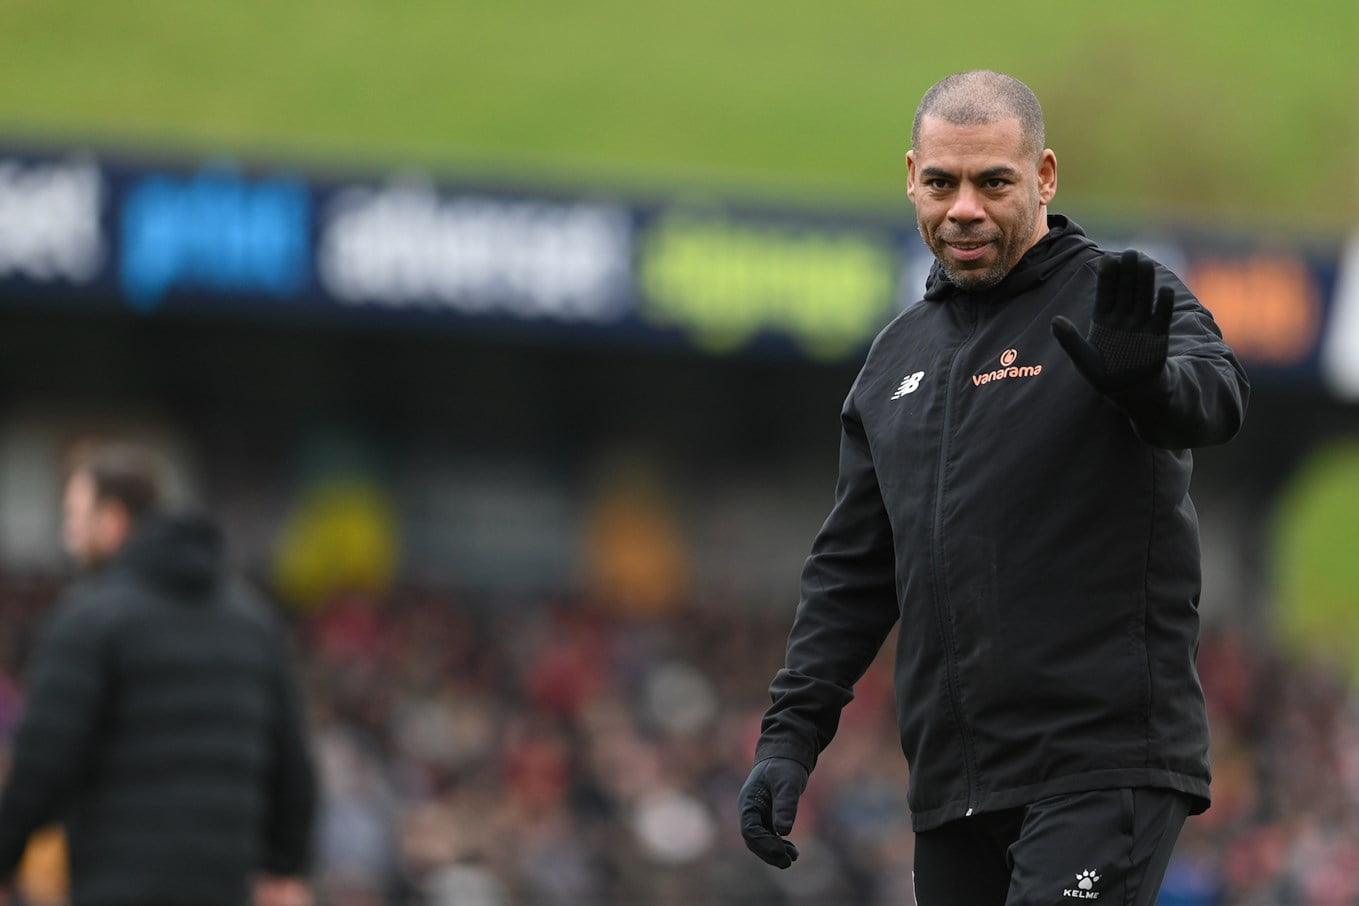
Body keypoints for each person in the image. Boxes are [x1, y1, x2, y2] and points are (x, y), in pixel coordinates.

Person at [738, 70, 1249, 906]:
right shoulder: (893, 362)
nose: (963, 209)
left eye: (993, 183)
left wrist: (1144, 381)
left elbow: (1216, 398)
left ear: (1043, 176)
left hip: (1098, 766)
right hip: (953, 791)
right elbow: (850, 575)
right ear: (911, 178)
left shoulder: (1118, 299)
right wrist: (788, 741)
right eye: (942, 183)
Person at [0, 442, 317, 906]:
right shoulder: (254, 622)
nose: (68, 537)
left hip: (118, 883)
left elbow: (44, 762)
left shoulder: (89, 620)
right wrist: (285, 865)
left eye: (75, 517)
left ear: (112, 519)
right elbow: (292, 764)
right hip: (223, 888)